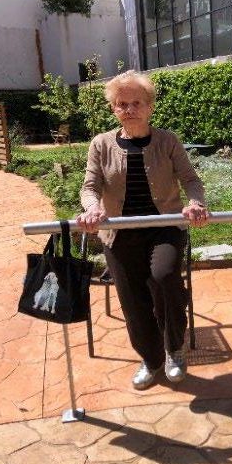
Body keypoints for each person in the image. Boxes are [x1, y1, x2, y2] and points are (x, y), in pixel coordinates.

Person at [76, 70, 209, 388]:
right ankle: (151, 359)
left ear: (150, 107)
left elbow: (190, 179)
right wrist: (92, 208)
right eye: (122, 104)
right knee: (133, 301)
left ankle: (174, 348)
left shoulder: (167, 141)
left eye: (136, 103)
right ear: (114, 109)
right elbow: (90, 186)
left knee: (165, 279)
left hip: (164, 227)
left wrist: (195, 203)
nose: (129, 109)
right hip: (119, 233)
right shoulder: (101, 144)